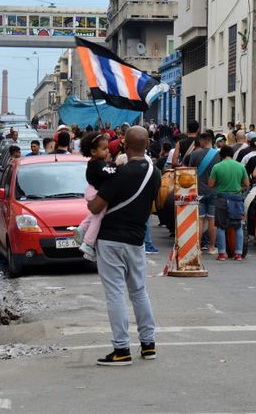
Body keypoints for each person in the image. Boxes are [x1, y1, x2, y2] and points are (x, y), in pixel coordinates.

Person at [87, 126, 160, 366]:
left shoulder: (119, 173)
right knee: (139, 291)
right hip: (137, 239)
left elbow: (96, 207)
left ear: (124, 146)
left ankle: (121, 349)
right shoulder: (155, 172)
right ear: (147, 144)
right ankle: (148, 345)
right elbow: (153, 204)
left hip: (111, 239)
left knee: (115, 293)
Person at [74, 132, 117, 261]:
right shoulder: (98, 164)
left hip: (91, 191)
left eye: (107, 148)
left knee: (94, 215)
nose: (107, 151)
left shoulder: (95, 162)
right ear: (93, 151)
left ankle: (82, 228)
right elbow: (107, 173)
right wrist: (117, 167)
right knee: (99, 217)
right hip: (95, 193)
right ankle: (88, 243)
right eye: (104, 149)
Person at [209, 145, 249, 261]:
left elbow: (211, 184)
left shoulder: (217, 167)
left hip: (221, 199)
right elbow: (246, 184)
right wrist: (238, 189)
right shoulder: (240, 166)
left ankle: (222, 254)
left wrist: (220, 185)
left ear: (221, 155)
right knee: (238, 227)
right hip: (236, 199)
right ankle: (238, 254)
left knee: (221, 226)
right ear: (232, 154)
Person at [187, 132, 221, 252]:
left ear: (202, 141)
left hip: (199, 191)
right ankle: (212, 247)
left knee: (200, 219)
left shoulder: (195, 154)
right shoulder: (219, 155)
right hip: (214, 191)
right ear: (212, 141)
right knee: (212, 219)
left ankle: (199, 247)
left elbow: (191, 171)